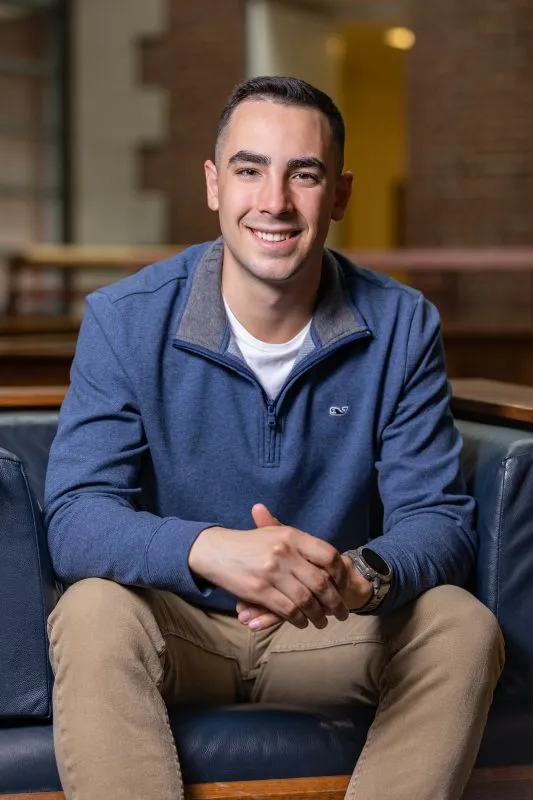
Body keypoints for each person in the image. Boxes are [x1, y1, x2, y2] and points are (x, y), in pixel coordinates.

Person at [44, 75, 504, 800]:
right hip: (177, 624)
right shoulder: (124, 318)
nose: (274, 202)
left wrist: (361, 575)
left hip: (327, 627)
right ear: (213, 184)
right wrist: (208, 549)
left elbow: (438, 520)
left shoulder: (401, 324)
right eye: (249, 170)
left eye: (304, 175)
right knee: (92, 609)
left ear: (339, 194)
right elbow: (74, 515)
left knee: (460, 624)